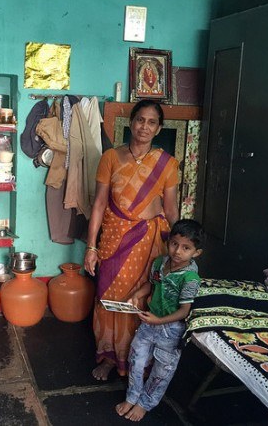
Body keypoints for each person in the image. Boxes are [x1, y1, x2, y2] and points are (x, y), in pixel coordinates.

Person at [84, 99, 180, 381]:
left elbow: (171, 209)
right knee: (107, 297)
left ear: (159, 128)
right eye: (140, 120)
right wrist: (91, 247)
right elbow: (99, 204)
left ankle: (137, 359)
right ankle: (109, 357)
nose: (144, 127)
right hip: (113, 239)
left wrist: (179, 249)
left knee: (141, 300)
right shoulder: (111, 157)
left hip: (149, 242)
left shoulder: (167, 164)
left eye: (151, 122)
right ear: (131, 122)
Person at [116, 219, 205, 421]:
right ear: (168, 242)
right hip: (149, 322)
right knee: (136, 360)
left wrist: (159, 321)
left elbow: (184, 311)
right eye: (174, 244)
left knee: (161, 371)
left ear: (196, 253)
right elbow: (151, 285)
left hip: (171, 330)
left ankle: (145, 403)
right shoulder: (159, 263)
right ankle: (132, 396)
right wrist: (137, 295)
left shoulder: (190, 279)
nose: (177, 251)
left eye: (186, 248)